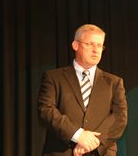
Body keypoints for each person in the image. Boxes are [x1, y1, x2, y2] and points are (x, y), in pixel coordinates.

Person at [37, 24, 128, 156]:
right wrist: (77, 135)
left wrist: (93, 143)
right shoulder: (53, 77)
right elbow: (45, 111)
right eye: (90, 44)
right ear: (75, 45)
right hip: (61, 151)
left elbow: (119, 118)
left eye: (99, 45)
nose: (96, 50)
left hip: (100, 152)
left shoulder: (114, 82)